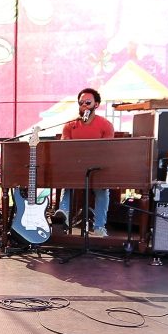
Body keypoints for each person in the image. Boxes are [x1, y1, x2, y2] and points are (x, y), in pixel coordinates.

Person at [52, 88, 114, 237]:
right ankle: (63, 217)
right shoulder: (70, 125)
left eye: (88, 102)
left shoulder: (105, 125)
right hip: (75, 167)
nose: (84, 105)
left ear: (96, 105)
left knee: (102, 190)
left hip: (97, 168)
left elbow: (108, 150)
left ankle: (99, 227)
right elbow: (65, 149)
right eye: (81, 103)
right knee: (67, 185)